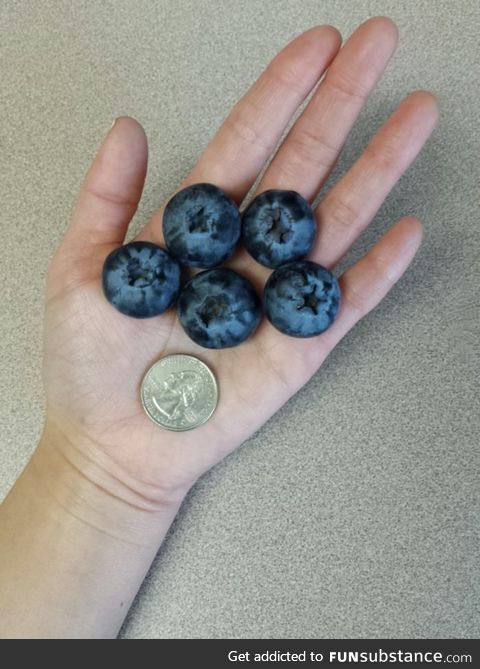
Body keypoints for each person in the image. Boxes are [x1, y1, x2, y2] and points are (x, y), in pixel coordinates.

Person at [0, 17, 438, 638]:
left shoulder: (235, 279)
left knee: (305, 293)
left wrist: (92, 475)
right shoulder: (188, 284)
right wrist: (91, 469)